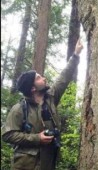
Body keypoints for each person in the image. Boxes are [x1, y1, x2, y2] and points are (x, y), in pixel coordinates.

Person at [1, 39, 83, 170]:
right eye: (38, 78)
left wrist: (76, 55)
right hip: (25, 165)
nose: (44, 78)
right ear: (32, 88)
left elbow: (64, 77)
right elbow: (7, 135)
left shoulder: (51, 97)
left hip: (47, 162)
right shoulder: (19, 109)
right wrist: (36, 138)